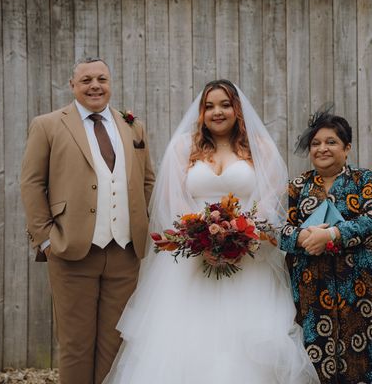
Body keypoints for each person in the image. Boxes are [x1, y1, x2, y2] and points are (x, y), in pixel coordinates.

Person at [104, 79, 318, 383]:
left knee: (243, 339)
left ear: (237, 109)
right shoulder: (183, 147)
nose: (217, 112)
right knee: (184, 338)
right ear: (201, 112)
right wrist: (197, 238)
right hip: (192, 258)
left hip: (248, 259)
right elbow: (172, 200)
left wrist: (241, 236)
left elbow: (270, 201)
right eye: (210, 106)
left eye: (225, 104)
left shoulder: (259, 148)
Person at [20, 57, 155, 384]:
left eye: (102, 79)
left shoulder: (132, 125)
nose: (95, 86)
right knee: (77, 344)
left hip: (125, 252)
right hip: (71, 251)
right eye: (86, 80)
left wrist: (135, 221)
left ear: (110, 83)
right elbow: (32, 183)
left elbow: (147, 180)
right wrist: (47, 239)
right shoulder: (49, 124)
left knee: (115, 344)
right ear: (73, 85)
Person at [280, 108, 372, 383]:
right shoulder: (297, 187)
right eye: (316, 143)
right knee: (316, 356)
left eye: (331, 142)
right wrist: (302, 238)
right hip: (313, 287)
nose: (322, 148)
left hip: (362, 285)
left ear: (347, 148)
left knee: (371, 355)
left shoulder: (364, 180)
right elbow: (279, 230)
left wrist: (333, 235)